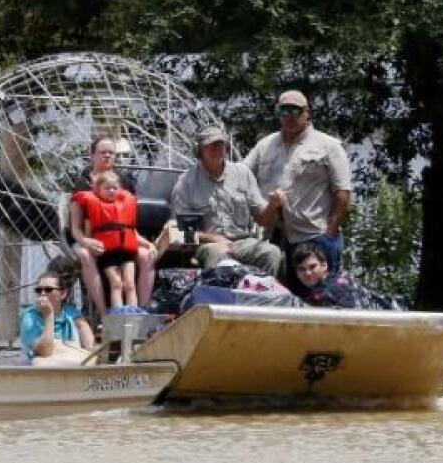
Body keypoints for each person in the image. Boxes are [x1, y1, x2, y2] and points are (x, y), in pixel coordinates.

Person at [243, 90, 353, 289]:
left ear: (307, 113)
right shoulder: (265, 145)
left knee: (321, 298)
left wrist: (330, 231)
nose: (289, 116)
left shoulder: (328, 146)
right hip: (275, 237)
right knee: (280, 297)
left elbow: (343, 193)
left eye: (295, 110)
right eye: (284, 110)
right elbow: (241, 176)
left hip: (314, 236)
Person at [170, 126, 283, 276]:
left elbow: (262, 219)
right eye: (211, 146)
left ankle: (262, 296)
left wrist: (273, 205)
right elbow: (179, 234)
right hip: (208, 246)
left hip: (243, 242)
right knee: (217, 255)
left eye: (221, 145)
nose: (217, 149)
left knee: (271, 252)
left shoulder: (243, 173)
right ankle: (220, 298)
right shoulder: (186, 182)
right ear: (199, 152)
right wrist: (213, 239)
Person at [69, 137, 156, 317]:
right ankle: (103, 314)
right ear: (92, 156)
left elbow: (128, 222)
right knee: (85, 255)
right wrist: (86, 242)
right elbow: (75, 227)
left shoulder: (124, 181)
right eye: (102, 152)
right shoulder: (82, 183)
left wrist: (145, 242)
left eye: (111, 152)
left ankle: (141, 311)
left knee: (147, 255)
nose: (107, 155)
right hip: (92, 239)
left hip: (123, 240)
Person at [291, 243, 404, 310]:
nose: (307, 273)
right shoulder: (340, 277)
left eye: (312, 267)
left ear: (324, 265)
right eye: (301, 269)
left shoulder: (327, 292)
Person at [18, 271, 95, 365]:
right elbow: (44, 351)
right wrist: (49, 315)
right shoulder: (29, 317)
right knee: (39, 363)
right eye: (38, 290)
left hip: (67, 357)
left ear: (63, 294)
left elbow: (83, 328)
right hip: (40, 362)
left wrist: (90, 350)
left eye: (48, 289)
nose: (43, 293)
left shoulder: (70, 312)